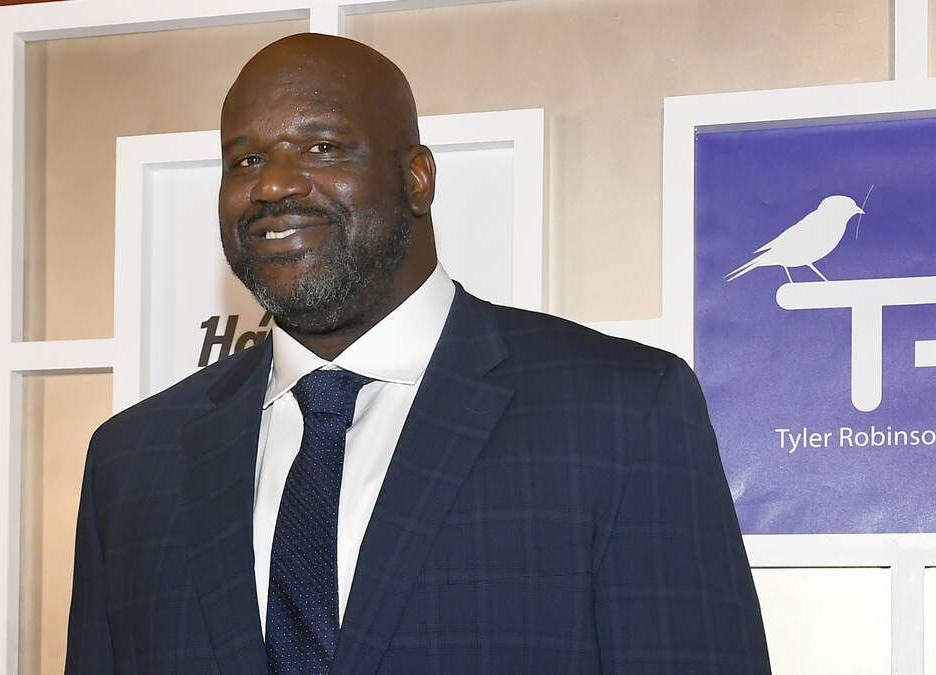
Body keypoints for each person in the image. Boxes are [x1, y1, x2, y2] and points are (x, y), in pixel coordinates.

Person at [65, 33, 770, 674]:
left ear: (417, 178)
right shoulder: (133, 462)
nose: (273, 184)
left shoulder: (621, 411)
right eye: (246, 159)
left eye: (321, 147)